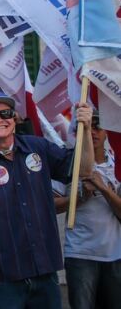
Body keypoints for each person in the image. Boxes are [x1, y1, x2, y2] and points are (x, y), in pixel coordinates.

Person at [0, 92, 96, 309]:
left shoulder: (38, 147)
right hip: (4, 277)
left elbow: (83, 169)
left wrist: (87, 129)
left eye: (4, 113)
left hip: (45, 270)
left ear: (14, 118)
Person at [56, 111, 121, 309]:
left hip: (115, 256)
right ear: (76, 132)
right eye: (86, 127)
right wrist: (80, 197)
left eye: (97, 126)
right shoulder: (66, 163)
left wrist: (104, 190)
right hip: (80, 255)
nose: (92, 132)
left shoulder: (117, 165)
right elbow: (52, 206)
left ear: (107, 131)